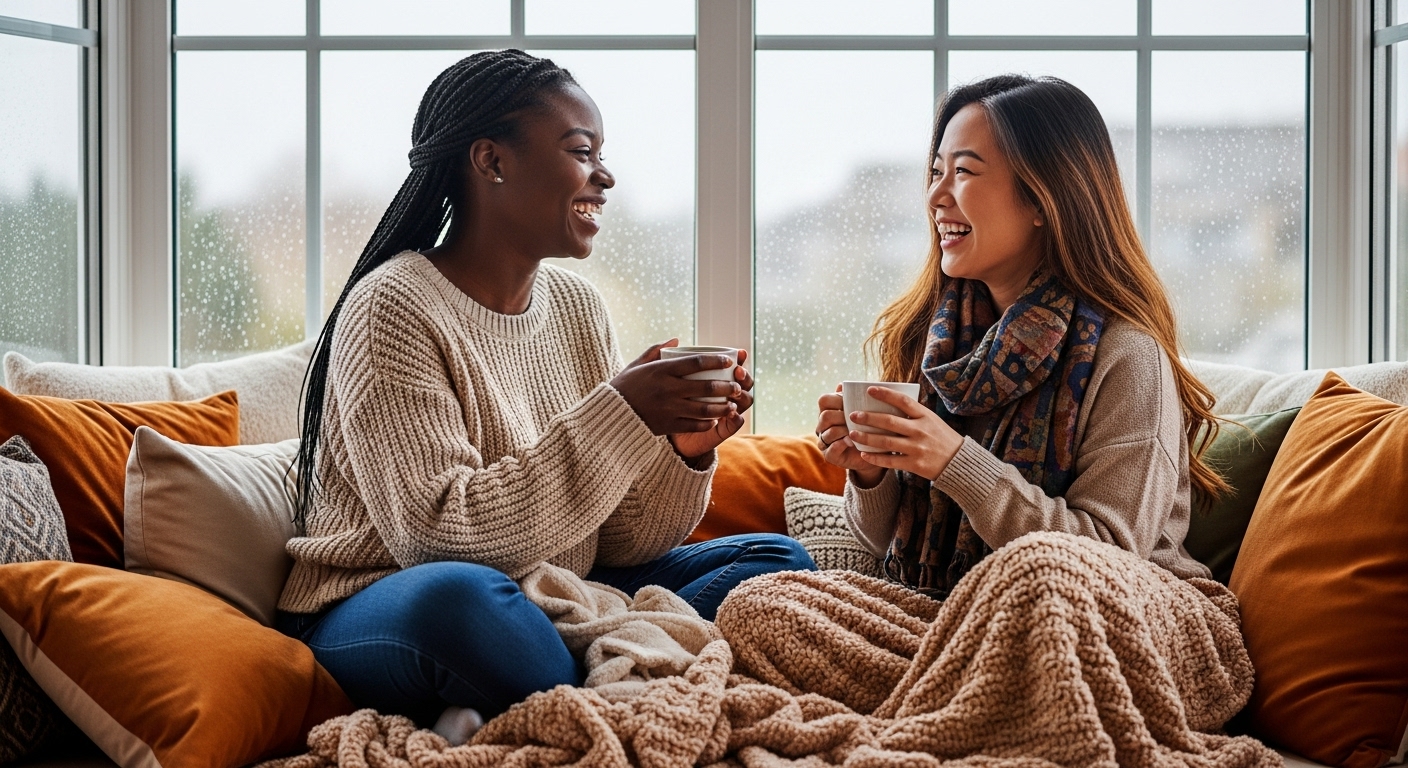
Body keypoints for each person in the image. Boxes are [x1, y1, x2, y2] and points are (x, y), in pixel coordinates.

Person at [276, 49, 814, 735]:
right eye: (581, 151)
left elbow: (619, 543)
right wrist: (619, 415)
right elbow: (438, 536)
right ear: (493, 161)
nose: (605, 175)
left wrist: (683, 454)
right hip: (387, 597)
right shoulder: (393, 306)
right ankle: (606, 672)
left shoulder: (577, 307)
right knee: (465, 604)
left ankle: (542, 683)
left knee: (776, 566)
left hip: (554, 592)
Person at [815, 74, 1225, 599]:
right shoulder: (939, 341)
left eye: (962, 171)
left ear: (1042, 199)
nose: (936, 195)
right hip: (955, 611)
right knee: (764, 604)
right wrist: (871, 474)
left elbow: (1108, 561)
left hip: (1114, 616)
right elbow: (886, 546)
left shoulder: (1127, 356)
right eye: (936, 171)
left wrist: (955, 462)